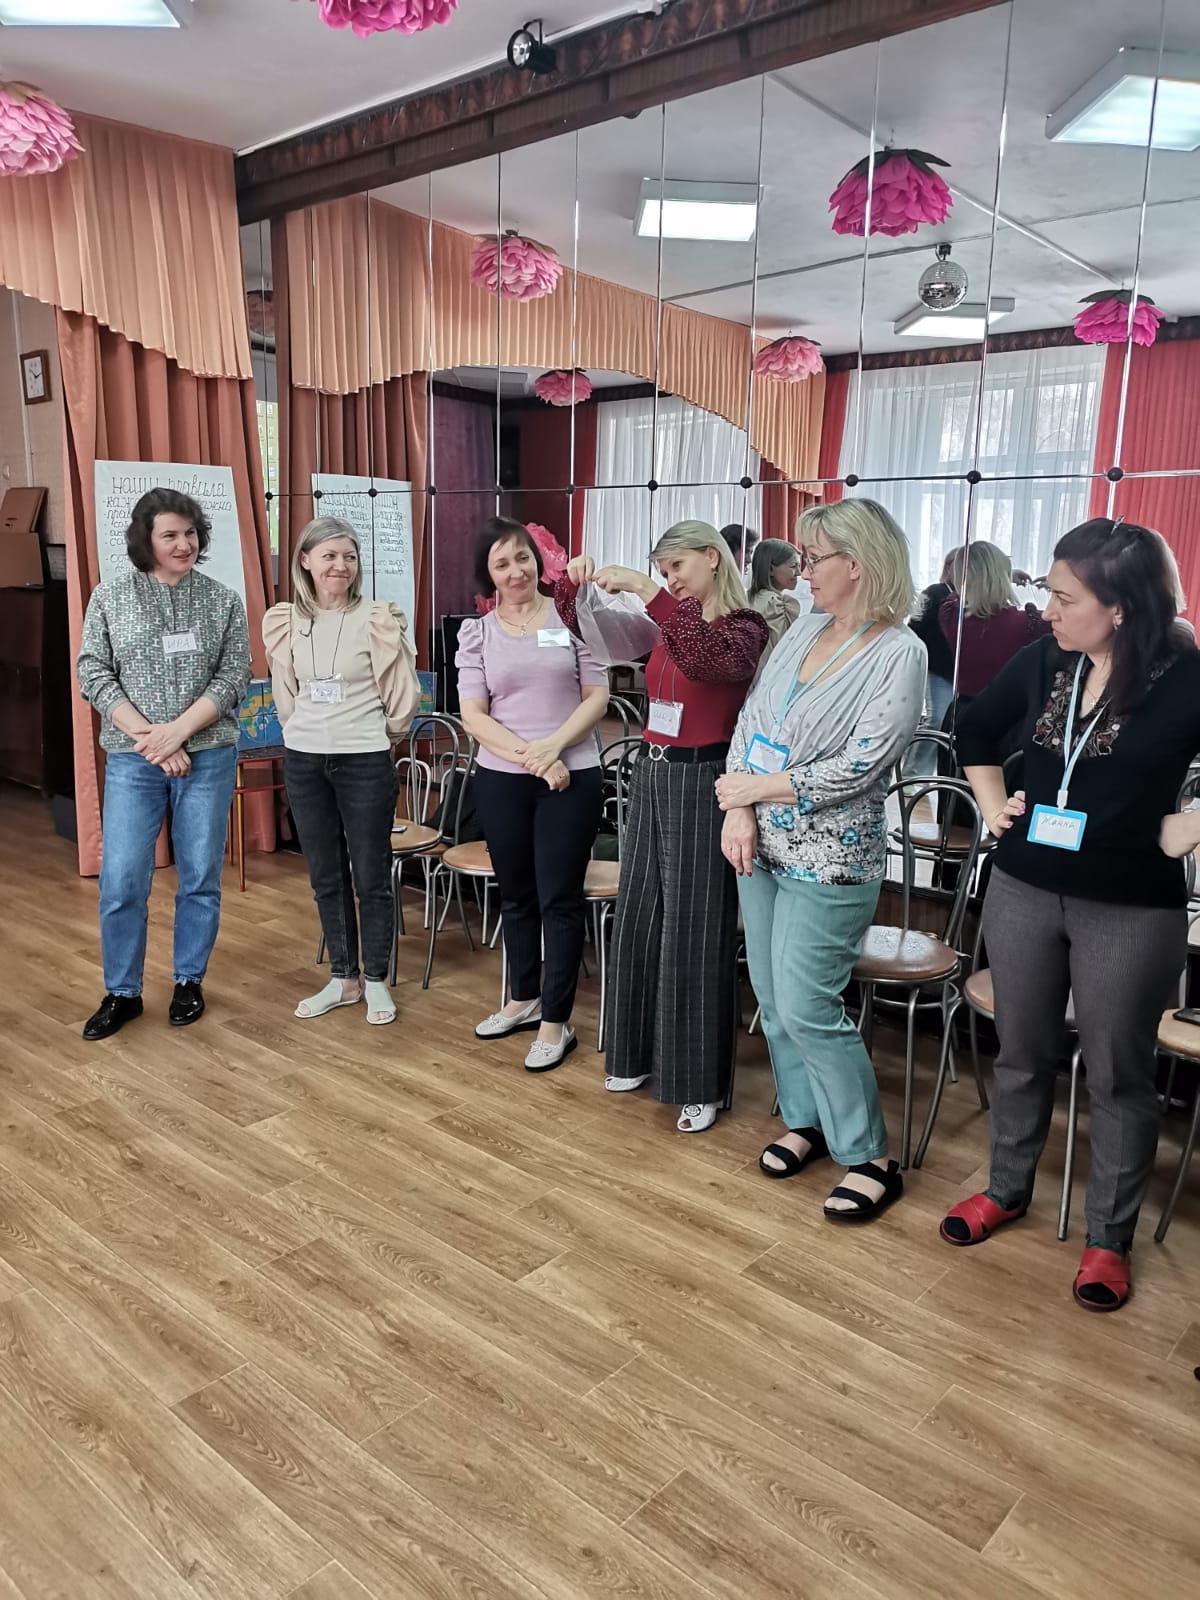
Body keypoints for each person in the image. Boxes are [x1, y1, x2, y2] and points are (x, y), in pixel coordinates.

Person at [941, 518, 1200, 1312]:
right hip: (1023, 886)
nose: (1046, 609)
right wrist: (993, 807)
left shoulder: (1186, 676)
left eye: (1064, 597)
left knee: (1119, 1075)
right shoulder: (1046, 660)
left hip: (1130, 905)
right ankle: (1006, 1188)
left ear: (1121, 607)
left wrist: (1188, 827)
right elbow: (972, 728)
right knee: (1021, 1053)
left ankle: (1108, 1239)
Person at [717, 499, 926, 1221]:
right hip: (761, 842)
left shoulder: (900, 651)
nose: (800, 573)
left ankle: (869, 1155)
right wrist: (739, 808)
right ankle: (805, 1121)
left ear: (857, 565)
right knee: (774, 1002)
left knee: (810, 1006)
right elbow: (752, 719)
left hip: (832, 857)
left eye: (812, 560)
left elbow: (863, 764)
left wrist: (756, 789)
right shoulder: (804, 627)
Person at [557, 521, 769, 1131]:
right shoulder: (671, 622)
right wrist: (573, 588)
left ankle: (697, 1080)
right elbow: (595, 634)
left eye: (678, 566)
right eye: (663, 570)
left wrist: (652, 593)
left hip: (704, 778)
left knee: (694, 926)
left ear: (713, 557)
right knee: (641, 913)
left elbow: (704, 662)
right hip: (651, 771)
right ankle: (633, 1053)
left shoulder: (743, 627)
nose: (670, 579)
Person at [76, 487, 251, 1040]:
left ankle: (188, 981)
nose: (183, 544)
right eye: (169, 534)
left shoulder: (223, 600)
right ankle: (122, 992)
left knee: (199, 875)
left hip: (209, 754)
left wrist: (179, 732)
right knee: (122, 879)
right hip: (134, 759)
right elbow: (93, 673)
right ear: (145, 540)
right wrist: (155, 740)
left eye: (190, 533)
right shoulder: (110, 597)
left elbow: (235, 675)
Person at [456, 517, 609, 1070]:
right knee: (516, 894)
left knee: (558, 898)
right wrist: (535, 759)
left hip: (573, 775)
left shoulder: (570, 616)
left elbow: (597, 695)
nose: (516, 570)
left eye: (522, 557)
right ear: (488, 575)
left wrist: (555, 749)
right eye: (502, 563)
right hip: (503, 777)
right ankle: (523, 998)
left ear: (537, 559)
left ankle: (556, 1021)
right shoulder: (477, 633)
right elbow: (474, 714)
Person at [263, 517, 419, 1026]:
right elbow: (285, 690)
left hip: (364, 759)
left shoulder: (376, 617)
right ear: (305, 561)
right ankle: (343, 977)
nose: (340, 566)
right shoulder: (285, 620)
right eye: (329, 555)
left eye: (349, 556)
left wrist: (379, 733)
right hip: (305, 760)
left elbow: (401, 692)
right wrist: (302, 731)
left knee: (371, 876)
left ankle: (375, 979)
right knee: (325, 876)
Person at [940, 540, 1051, 704]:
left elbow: (957, 594)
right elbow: (1061, 620)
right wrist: (1059, 588)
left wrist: (996, 575)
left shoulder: (949, 614)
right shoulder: (1026, 623)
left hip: (963, 710)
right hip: (1006, 713)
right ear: (1002, 578)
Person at [905, 548, 957, 776]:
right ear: (949, 568)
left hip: (963, 671)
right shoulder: (934, 593)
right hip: (938, 669)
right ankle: (913, 774)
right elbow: (914, 628)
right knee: (937, 720)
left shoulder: (975, 596)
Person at [747, 538, 808, 657]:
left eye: (799, 566)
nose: (799, 573)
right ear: (771, 569)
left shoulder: (748, 597)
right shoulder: (774, 604)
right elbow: (783, 652)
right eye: (793, 566)